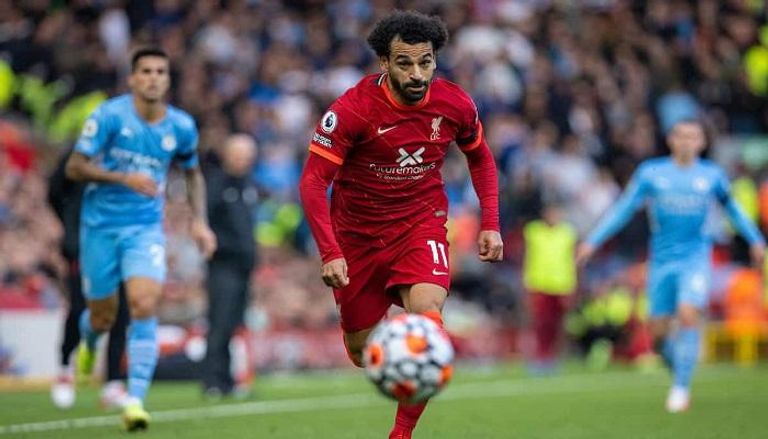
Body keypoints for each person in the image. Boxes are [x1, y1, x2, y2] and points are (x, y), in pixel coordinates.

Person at [299, 11, 503, 439]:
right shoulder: (352, 110)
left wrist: (491, 222)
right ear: (384, 63)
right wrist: (330, 251)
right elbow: (313, 182)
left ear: (435, 60)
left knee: (429, 322)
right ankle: (392, 340)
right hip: (357, 237)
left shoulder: (455, 104)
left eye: (425, 62)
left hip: (419, 224)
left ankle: (401, 433)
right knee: (360, 352)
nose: (417, 74)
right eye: (405, 63)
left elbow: (481, 157)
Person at [65, 48, 216, 431]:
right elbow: (75, 167)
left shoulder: (181, 126)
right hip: (100, 227)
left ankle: (134, 401)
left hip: (145, 228)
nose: (153, 78)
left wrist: (199, 222)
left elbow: (192, 173)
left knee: (144, 303)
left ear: (168, 80)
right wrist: (122, 178)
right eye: (145, 71)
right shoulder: (109, 116)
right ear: (132, 79)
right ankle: (89, 341)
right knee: (102, 315)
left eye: (160, 72)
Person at [576, 119, 765, 413]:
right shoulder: (652, 173)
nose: (687, 141)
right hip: (662, 262)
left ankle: (681, 389)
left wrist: (755, 240)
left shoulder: (712, 176)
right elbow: (624, 208)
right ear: (671, 140)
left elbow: (734, 210)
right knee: (658, 334)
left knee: (689, 314)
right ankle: (679, 368)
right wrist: (593, 240)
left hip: (695, 259)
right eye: (681, 136)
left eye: (693, 136)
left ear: (702, 142)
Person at [48, 148, 130, 410]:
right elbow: (55, 191)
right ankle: (65, 368)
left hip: (119, 246)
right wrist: (71, 226)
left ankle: (113, 381)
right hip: (85, 247)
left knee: (121, 313)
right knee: (79, 309)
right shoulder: (82, 152)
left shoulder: (129, 152)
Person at [202, 134, 258, 399]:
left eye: (248, 156)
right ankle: (213, 381)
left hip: (243, 266)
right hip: (223, 265)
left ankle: (228, 379)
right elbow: (206, 223)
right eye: (239, 155)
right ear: (227, 155)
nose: (243, 161)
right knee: (220, 322)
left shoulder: (247, 185)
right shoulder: (216, 185)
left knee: (234, 323)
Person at [522, 201, 577, 373]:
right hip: (539, 283)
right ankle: (540, 356)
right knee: (541, 323)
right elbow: (526, 256)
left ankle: (553, 357)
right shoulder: (533, 231)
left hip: (562, 284)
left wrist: (573, 284)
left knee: (557, 324)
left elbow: (572, 260)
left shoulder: (567, 233)